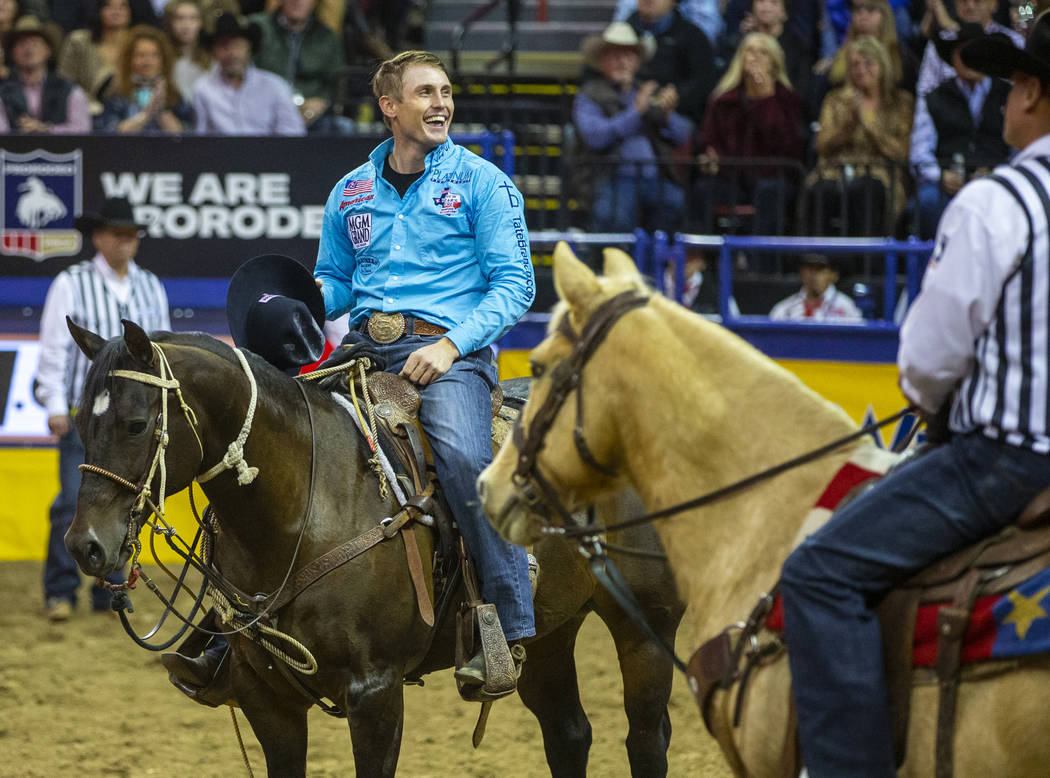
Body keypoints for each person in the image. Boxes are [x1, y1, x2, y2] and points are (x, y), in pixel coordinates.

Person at [780, 15, 1050, 775]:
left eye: (1010, 83)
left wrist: (942, 403)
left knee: (818, 574)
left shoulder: (998, 204)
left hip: (1005, 461)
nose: (1001, 98)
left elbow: (928, 363)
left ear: (1031, 92)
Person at [314, 50, 536, 687]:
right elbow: (334, 279)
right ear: (390, 107)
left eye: (445, 92)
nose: (441, 103)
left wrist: (450, 348)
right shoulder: (350, 189)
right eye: (425, 93)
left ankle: (507, 625)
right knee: (275, 424)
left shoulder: (484, 183)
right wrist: (301, 300)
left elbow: (515, 285)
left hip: (448, 355)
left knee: (466, 457)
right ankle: (238, 620)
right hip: (361, 346)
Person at [34, 196, 170, 621]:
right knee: (72, 502)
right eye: (117, 234)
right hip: (90, 415)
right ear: (99, 237)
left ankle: (111, 592)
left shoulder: (150, 284)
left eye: (131, 235)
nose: (125, 242)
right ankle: (61, 590)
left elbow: (160, 348)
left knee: (123, 502)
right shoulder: (70, 282)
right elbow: (55, 347)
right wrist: (54, 403)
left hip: (133, 419)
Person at [573, 21, 690, 236]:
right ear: (601, 61)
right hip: (611, 177)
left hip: (654, 178)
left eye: (628, 55)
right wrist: (636, 111)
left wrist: (667, 115)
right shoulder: (589, 95)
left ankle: (658, 264)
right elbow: (596, 136)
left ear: (638, 62)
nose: (622, 61)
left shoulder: (646, 91)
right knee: (616, 216)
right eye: (615, 55)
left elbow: (683, 135)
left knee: (677, 203)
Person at [692, 32, 804, 239]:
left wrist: (766, 100)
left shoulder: (787, 100)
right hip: (732, 175)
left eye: (763, 53)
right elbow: (708, 137)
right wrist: (710, 154)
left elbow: (790, 146)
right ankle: (703, 261)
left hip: (773, 177)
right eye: (749, 52)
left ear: (774, 63)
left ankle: (760, 267)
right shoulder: (723, 100)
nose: (755, 58)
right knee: (704, 189)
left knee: (768, 192)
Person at [804, 35, 914, 238]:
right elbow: (821, 146)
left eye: (868, 64)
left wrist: (868, 126)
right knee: (821, 189)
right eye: (855, 64)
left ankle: (866, 264)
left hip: (881, 174)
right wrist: (847, 127)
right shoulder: (835, 100)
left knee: (865, 189)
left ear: (882, 66)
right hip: (836, 170)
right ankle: (818, 262)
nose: (861, 70)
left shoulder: (901, 103)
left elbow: (902, 152)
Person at [909, 23, 1011, 239]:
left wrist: (1001, 176)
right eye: (962, 53)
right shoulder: (934, 97)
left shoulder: (1009, 95)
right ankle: (931, 267)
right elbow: (919, 154)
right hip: (947, 185)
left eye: (976, 52)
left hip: (998, 181)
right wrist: (941, 177)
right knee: (926, 202)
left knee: (1014, 202)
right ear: (952, 60)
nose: (969, 58)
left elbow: (1019, 149)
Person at [191, 12, 305, 135]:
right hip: (220, 153)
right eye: (224, 46)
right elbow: (199, 136)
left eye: (238, 45)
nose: (232, 54)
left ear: (249, 48)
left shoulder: (275, 86)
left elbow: (293, 133)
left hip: (267, 152)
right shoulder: (203, 89)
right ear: (214, 51)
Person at [249, 0, 348, 133]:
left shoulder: (327, 38)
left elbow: (338, 83)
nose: (297, 2)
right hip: (264, 109)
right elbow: (243, 71)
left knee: (343, 126)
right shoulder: (258, 28)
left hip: (312, 114)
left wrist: (323, 102)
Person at [624, 0, 718, 122]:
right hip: (626, 110)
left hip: (677, 115)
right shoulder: (621, 33)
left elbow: (703, 82)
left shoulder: (693, 37)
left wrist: (677, 97)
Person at [0, 15, 91, 133]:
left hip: (61, 150)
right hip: (12, 150)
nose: (28, 49)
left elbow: (83, 129)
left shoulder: (69, 90)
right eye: (22, 43)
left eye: (35, 43)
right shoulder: (3, 91)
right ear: (13, 53)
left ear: (48, 50)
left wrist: (47, 129)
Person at [95, 23, 193, 133]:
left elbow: (182, 135)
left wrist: (160, 107)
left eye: (154, 55)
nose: (148, 62)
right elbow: (111, 133)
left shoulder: (173, 94)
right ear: (130, 59)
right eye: (141, 55)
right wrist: (147, 113)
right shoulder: (116, 94)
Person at [56, 0, 133, 114]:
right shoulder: (79, 41)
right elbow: (64, 81)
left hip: (130, 110)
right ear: (98, 10)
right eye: (108, 6)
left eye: (123, 6)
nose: (116, 11)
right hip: (86, 111)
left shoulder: (137, 43)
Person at [768, 253, 864, 321]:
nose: (813, 275)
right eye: (809, 268)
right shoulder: (784, 309)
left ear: (833, 275)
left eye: (819, 269)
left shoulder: (847, 308)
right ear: (802, 272)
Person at [162, 0, 210, 102]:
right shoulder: (162, 57)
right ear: (170, 22)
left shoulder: (211, 58)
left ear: (201, 22)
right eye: (180, 18)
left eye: (193, 18)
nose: (186, 25)